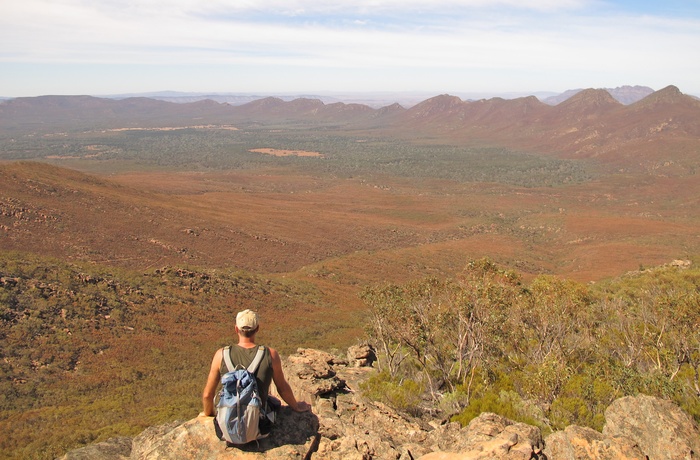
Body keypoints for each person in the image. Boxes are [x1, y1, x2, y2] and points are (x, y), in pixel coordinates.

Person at [202, 309, 311, 418]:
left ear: (236, 329)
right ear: (257, 328)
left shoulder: (221, 354)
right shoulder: (271, 354)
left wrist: (210, 414)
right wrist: (296, 406)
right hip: (259, 423)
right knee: (273, 402)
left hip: (227, 427)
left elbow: (207, 395)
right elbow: (282, 388)